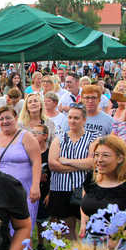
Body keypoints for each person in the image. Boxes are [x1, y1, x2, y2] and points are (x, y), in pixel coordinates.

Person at [48, 103, 96, 240]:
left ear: (84, 120)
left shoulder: (92, 138)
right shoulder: (60, 138)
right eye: (70, 117)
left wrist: (67, 161)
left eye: (76, 118)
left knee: (86, 224)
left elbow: (92, 162)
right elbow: (53, 164)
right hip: (61, 187)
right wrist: (81, 165)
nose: (72, 121)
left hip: (84, 188)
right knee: (66, 227)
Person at [0, 106, 42, 228]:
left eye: (8, 118)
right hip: (0, 190)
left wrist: (35, 186)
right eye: (1, 119)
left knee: (23, 228)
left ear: (16, 118)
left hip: (23, 190)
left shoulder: (26, 136)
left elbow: (37, 161)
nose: (5, 121)